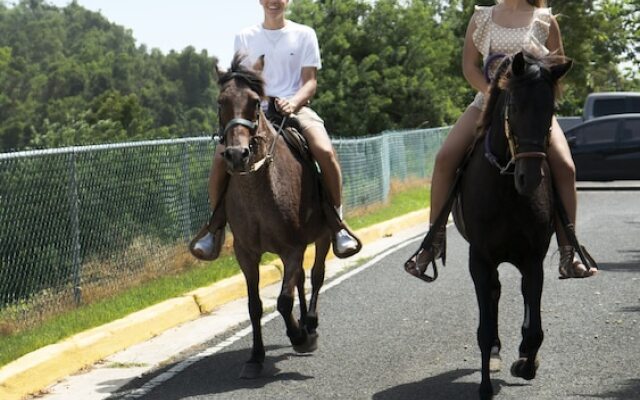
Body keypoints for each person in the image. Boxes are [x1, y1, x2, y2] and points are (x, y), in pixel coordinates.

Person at [404, 0, 597, 280]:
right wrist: (495, 94)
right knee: (445, 158)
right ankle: (432, 243)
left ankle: (569, 253)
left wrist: (534, 99)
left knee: (566, 168)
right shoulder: (482, 18)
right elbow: (469, 66)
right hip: (488, 102)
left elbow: (555, 71)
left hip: (531, 110)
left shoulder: (545, 20)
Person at [190, 0, 361, 261]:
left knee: (325, 151)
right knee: (219, 159)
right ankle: (215, 228)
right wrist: (255, 103)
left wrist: (292, 103)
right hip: (254, 112)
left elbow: (310, 82)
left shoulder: (304, 34)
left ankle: (337, 223)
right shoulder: (245, 36)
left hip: (295, 108)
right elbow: (242, 80)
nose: (274, 2)